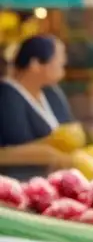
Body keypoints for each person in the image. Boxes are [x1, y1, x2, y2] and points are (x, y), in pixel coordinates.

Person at [0, 35, 77, 178]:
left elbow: (71, 129)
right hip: (22, 182)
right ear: (35, 64)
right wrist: (49, 154)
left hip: (58, 178)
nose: (64, 61)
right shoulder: (6, 96)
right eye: (59, 58)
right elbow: (8, 151)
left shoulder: (51, 92)